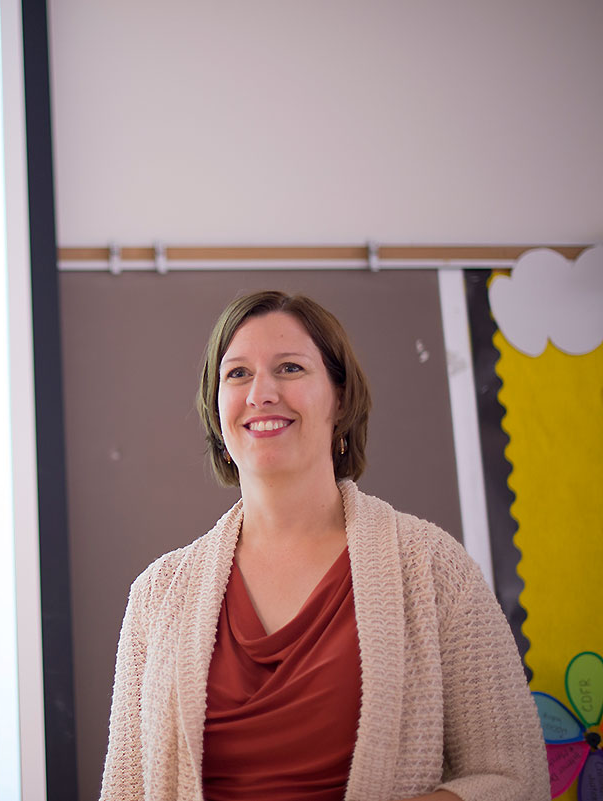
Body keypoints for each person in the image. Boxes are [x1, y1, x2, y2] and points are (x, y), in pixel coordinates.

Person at [98, 291, 548, 801]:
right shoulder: (157, 596)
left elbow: (518, 778)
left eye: (289, 368)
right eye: (237, 373)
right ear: (217, 414)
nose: (260, 392)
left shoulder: (431, 566)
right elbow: (124, 791)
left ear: (340, 399)